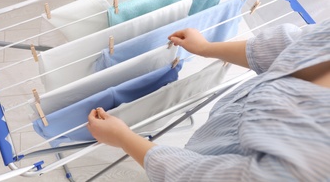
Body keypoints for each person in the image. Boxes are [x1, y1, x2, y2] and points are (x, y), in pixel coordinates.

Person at [87, 19, 330, 181]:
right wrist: (205, 48)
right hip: (219, 130)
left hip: (208, 161)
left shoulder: (315, 160)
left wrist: (123, 138)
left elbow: (199, 177)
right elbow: (289, 46)